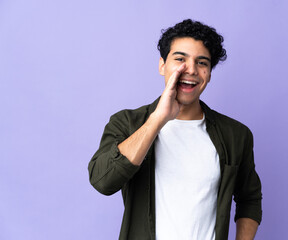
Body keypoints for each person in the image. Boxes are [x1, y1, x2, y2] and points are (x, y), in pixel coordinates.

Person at [88, 19, 262, 240]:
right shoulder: (127, 123)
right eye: (180, 59)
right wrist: (158, 119)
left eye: (202, 63)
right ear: (162, 65)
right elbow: (103, 181)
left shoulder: (236, 135)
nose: (190, 70)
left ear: (209, 73)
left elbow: (249, 199)